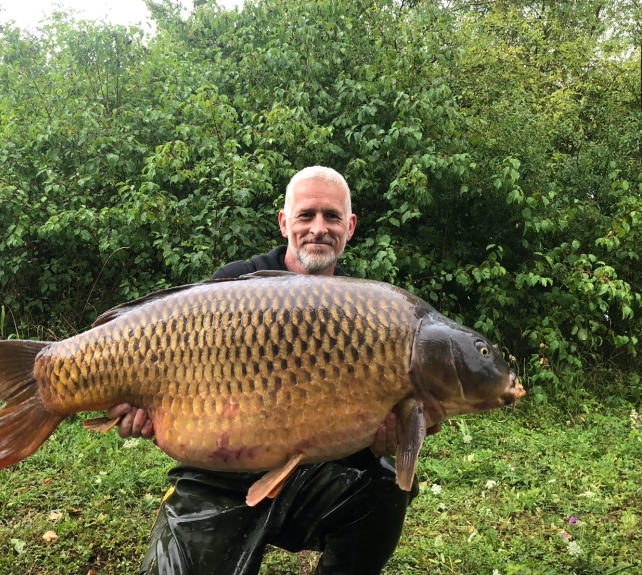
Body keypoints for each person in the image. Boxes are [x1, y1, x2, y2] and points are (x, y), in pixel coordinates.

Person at [107, 166, 437, 574]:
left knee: (386, 485)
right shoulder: (232, 285)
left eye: (332, 217)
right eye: (306, 215)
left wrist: (383, 438)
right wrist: (139, 409)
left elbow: (364, 426)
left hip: (312, 474)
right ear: (284, 223)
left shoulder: (367, 312)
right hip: (217, 476)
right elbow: (166, 369)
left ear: (350, 227)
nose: (319, 228)